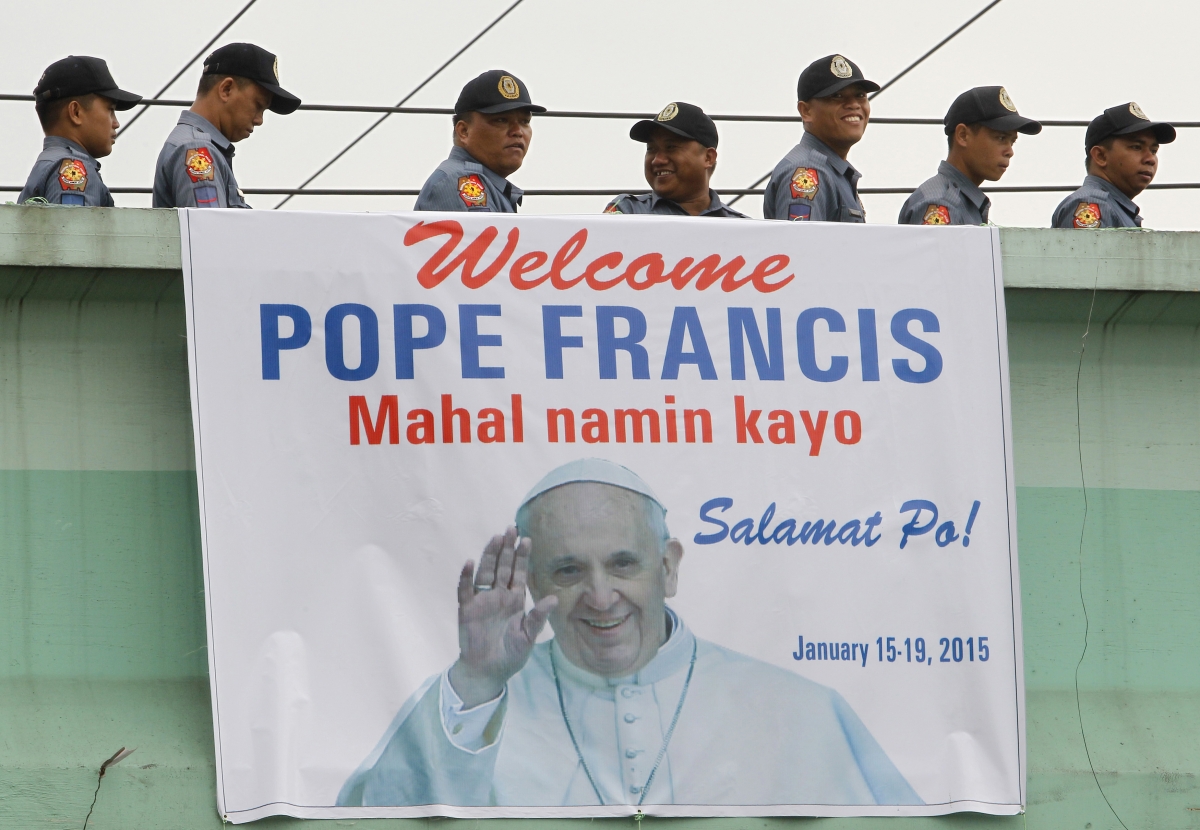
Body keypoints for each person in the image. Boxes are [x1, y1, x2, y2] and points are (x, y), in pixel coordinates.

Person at [339, 458, 920, 808]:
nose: (599, 596)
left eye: (623, 564)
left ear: (668, 566)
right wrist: (476, 680)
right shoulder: (473, 702)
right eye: (568, 571)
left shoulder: (800, 709)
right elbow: (376, 817)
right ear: (531, 579)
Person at [152, 43, 300, 209]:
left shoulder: (195, 146)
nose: (259, 120)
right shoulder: (196, 150)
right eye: (258, 105)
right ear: (226, 89)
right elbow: (210, 230)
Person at [898, 87, 1041, 226]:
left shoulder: (958, 201)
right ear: (963, 135)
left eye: (1012, 141)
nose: (1010, 151)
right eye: (1001, 138)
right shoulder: (942, 205)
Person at [762, 55, 877, 222]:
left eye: (860, 95)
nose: (853, 104)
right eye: (837, 96)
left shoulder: (831, 170)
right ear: (806, 111)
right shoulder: (807, 172)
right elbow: (800, 245)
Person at [414, 70, 545, 213]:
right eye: (501, 120)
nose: (518, 131)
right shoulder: (459, 182)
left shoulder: (484, 183)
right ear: (464, 131)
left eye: (525, 121)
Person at [18, 56, 141, 206]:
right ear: (76, 112)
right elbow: (72, 229)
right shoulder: (73, 168)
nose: (116, 123)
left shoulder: (48, 163)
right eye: (110, 110)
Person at [602, 102, 746, 217]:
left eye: (671, 147)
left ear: (708, 158)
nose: (657, 160)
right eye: (651, 149)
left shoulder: (743, 229)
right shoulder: (627, 211)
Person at [1051, 103, 1175, 229]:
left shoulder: (1113, 208)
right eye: (1136, 147)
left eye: (1154, 151)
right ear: (1101, 156)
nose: (1150, 159)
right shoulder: (1092, 203)